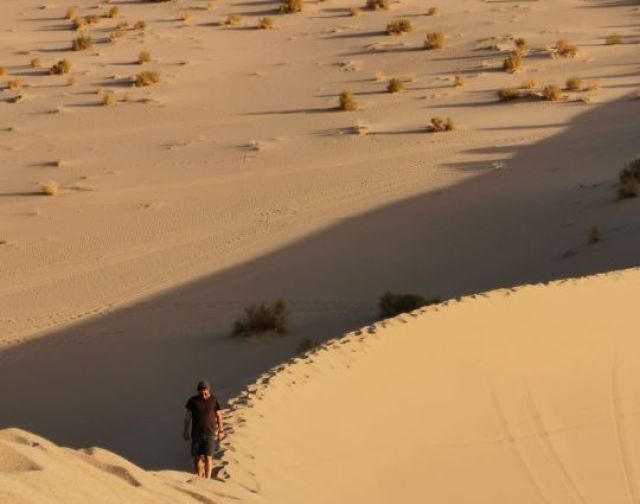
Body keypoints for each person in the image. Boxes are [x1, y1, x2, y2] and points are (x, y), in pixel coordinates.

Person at [183, 380, 224, 478]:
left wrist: (221, 431)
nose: (202, 392)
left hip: (210, 433)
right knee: (196, 458)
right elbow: (187, 416)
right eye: (200, 390)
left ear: (209, 390)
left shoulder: (214, 400)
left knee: (208, 457)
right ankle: (198, 476)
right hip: (196, 434)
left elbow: (219, 415)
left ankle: (207, 480)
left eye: (204, 389)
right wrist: (185, 430)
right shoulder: (193, 401)